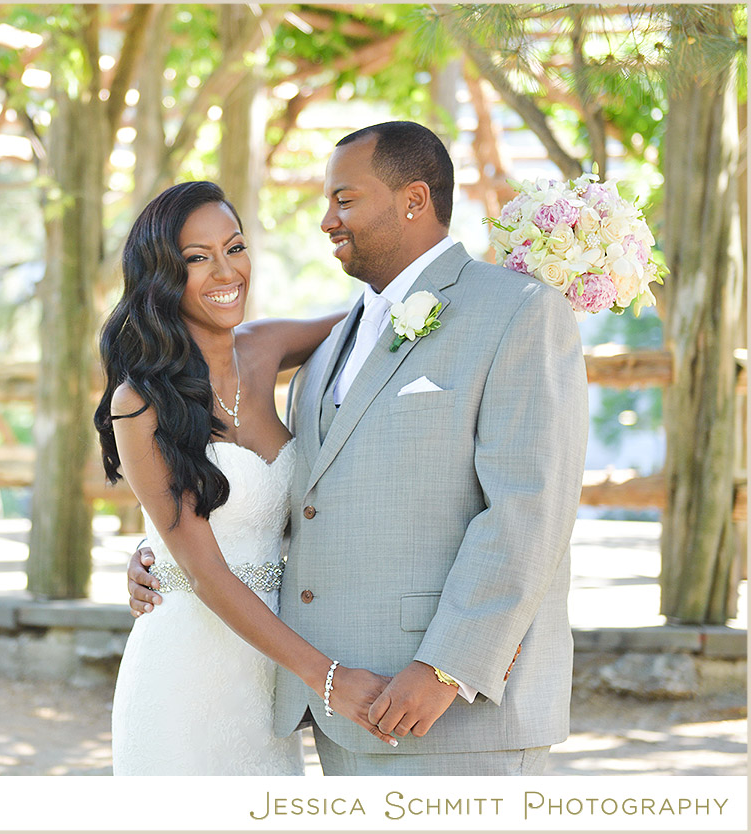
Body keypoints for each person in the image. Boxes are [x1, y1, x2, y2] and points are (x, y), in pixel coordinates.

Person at [127, 122, 589, 776]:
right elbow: (312, 499)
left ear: (413, 200)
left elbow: (530, 509)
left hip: (448, 710)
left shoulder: (517, 311)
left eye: (344, 200)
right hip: (329, 714)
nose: (325, 221)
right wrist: (162, 551)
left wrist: (448, 666)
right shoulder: (339, 336)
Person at [96, 180, 400, 775]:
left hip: (267, 674)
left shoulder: (267, 348)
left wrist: (523, 269)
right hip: (185, 668)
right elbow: (205, 570)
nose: (225, 271)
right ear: (162, 275)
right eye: (196, 258)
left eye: (234, 248)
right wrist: (328, 678)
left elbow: (394, 316)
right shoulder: (140, 401)